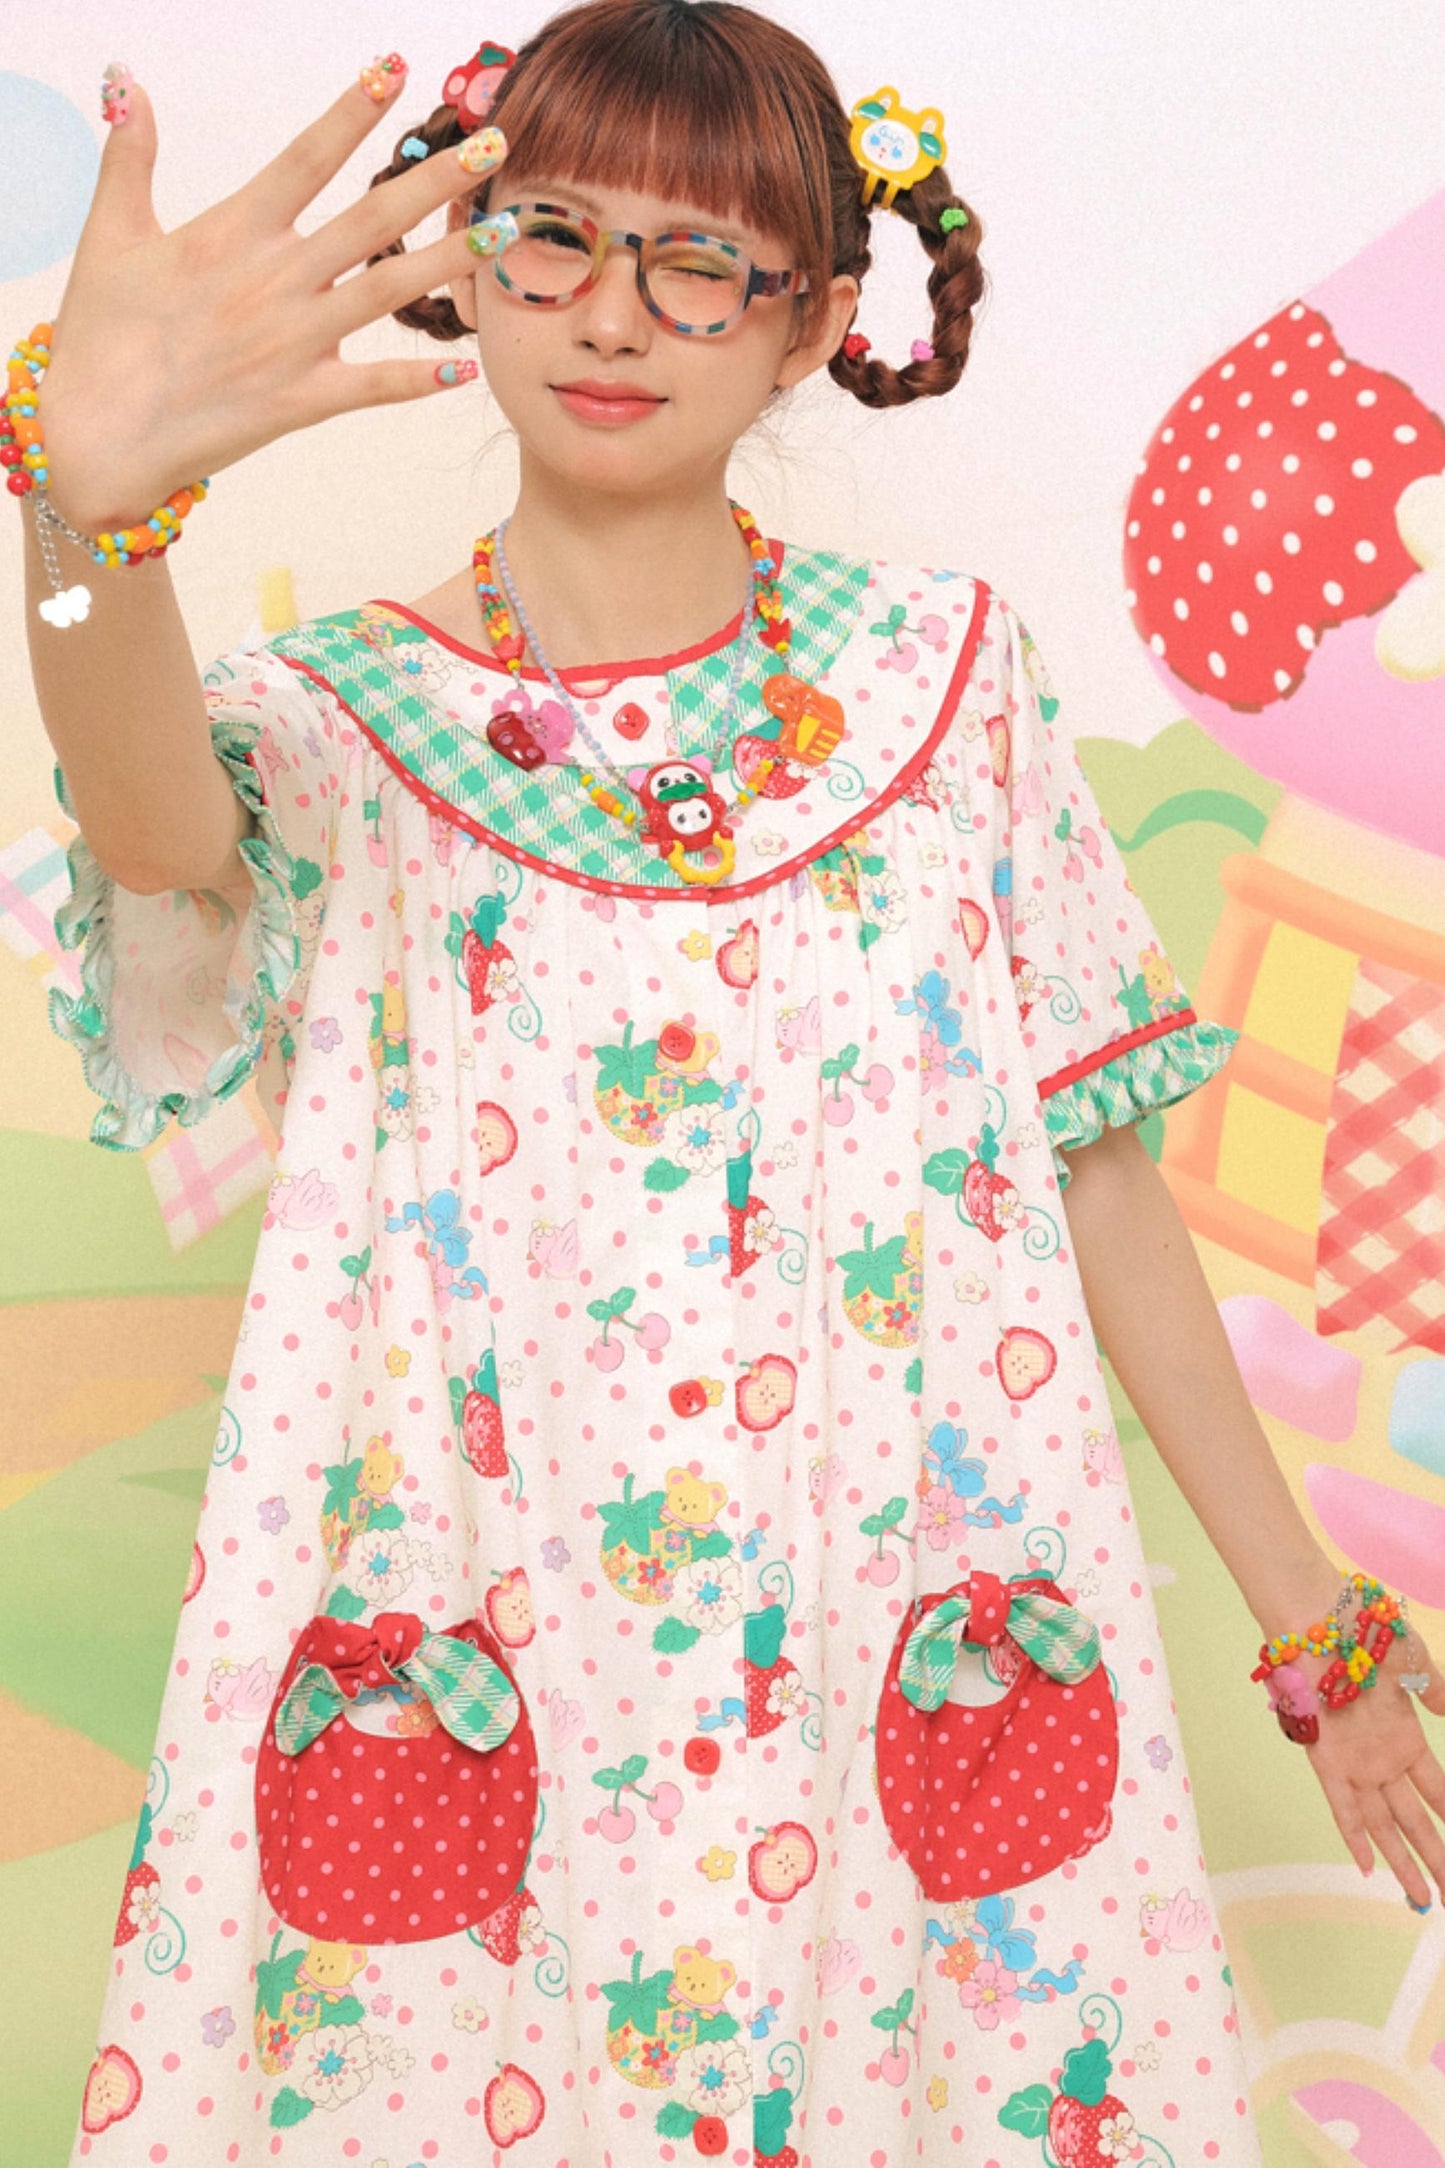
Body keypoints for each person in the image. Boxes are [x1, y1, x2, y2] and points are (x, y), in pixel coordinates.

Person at [14, 3, 1444, 2161]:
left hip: (893, 1639)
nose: (613, 314)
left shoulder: (946, 685)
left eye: (700, 262)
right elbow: (150, 828)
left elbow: (1101, 1184)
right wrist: (81, 525)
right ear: (467, 261)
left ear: (816, 321)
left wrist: (1313, 1634)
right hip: (495, 1649)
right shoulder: (346, 723)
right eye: (553, 237)